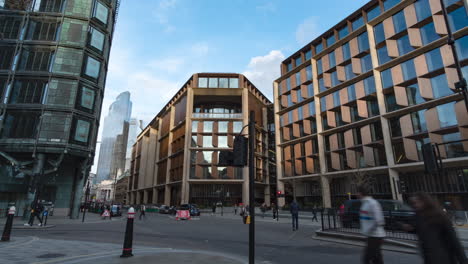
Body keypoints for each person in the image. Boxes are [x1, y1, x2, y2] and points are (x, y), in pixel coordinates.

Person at [403, 192, 467, 264]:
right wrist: (410, 229)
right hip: (429, 257)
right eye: (413, 203)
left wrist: (463, 261)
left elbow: (454, 241)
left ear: (425, 201)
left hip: (443, 257)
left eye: (417, 202)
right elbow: (420, 230)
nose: (415, 205)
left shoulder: (440, 217)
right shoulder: (418, 216)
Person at [357, 185, 385, 264]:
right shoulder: (364, 203)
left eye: (357, 192)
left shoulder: (372, 203)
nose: (356, 194)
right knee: (376, 259)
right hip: (371, 236)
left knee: (366, 259)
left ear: (360, 193)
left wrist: (369, 229)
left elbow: (379, 220)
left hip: (375, 236)